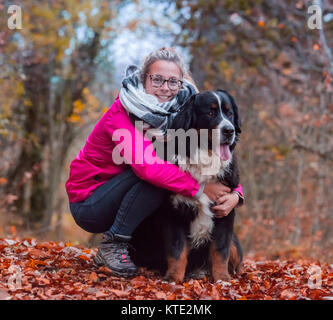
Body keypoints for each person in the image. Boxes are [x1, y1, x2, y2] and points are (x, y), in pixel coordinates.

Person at [65, 47, 244, 277]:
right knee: (158, 178)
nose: (165, 88)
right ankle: (113, 246)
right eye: (157, 79)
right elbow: (148, 168)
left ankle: (155, 257)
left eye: (173, 81)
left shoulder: (176, 112)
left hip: (128, 198)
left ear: (181, 84)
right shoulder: (121, 113)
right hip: (91, 202)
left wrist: (235, 194)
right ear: (143, 79)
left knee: (167, 184)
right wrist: (200, 189)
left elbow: (214, 162)